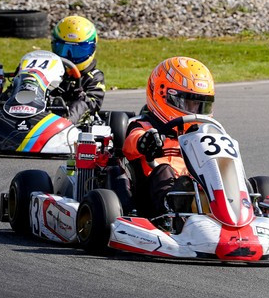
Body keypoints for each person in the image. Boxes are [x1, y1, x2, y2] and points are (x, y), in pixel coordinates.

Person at [120, 56, 215, 218]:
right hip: (151, 196)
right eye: (187, 103)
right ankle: (170, 208)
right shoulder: (144, 125)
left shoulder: (202, 132)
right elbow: (130, 145)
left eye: (200, 105)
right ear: (162, 94)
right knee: (164, 170)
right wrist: (145, 141)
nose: (194, 111)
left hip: (195, 184)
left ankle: (244, 207)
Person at [49, 15, 106, 124]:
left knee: (81, 103)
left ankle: (66, 123)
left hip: (77, 123)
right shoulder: (50, 70)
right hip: (46, 114)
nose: (70, 56)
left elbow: (93, 104)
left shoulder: (95, 76)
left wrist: (80, 95)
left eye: (78, 51)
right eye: (64, 50)